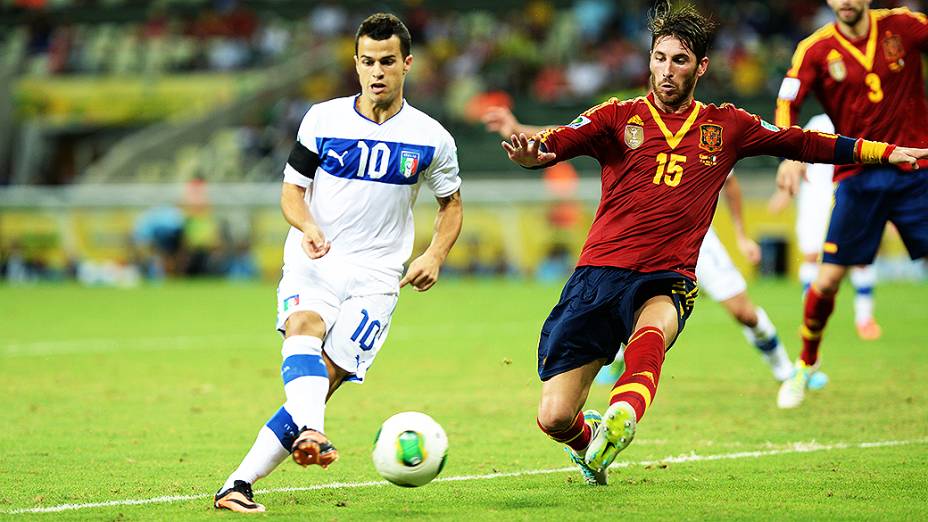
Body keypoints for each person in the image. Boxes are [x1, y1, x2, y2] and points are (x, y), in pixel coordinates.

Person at [500, 0, 928, 486]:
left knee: (653, 331)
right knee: (554, 417)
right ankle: (588, 439)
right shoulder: (616, 116)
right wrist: (532, 155)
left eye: (679, 60)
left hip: (667, 275)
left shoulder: (727, 126)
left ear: (700, 67)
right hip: (598, 275)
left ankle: (623, 413)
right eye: (659, 58)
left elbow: (802, 142)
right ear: (649, 60)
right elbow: (556, 143)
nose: (666, 70)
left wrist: (886, 151)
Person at [213, 13, 463, 512]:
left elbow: (450, 203)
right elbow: (291, 190)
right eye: (368, 62)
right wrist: (306, 225)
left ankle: (237, 484)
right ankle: (312, 433)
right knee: (302, 326)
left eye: (387, 62)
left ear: (407, 64)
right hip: (316, 258)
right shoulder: (322, 119)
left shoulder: (431, 137)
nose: (377, 72)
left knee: (321, 381)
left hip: (378, 278)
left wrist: (435, 254)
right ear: (356, 64)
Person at [485, 109, 799, 385]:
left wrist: (742, 235)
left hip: (692, 240)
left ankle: (785, 370)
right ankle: (615, 361)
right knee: (625, 303)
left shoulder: (706, 131)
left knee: (743, 312)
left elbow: (729, 183)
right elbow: (568, 130)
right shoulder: (628, 123)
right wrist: (518, 127)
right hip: (637, 243)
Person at [774, 1, 928, 408]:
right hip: (858, 176)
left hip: (917, 168)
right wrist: (789, 152)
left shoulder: (904, 28)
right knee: (825, 282)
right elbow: (788, 101)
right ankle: (805, 364)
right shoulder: (815, 49)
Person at [768, 114, 882, 342]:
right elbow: (798, 155)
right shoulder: (818, 123)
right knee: (811, 257)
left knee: (859, 260)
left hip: (850, 196)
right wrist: (783, 193)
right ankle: (808, 315)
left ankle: (864, 318)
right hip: (815, 198)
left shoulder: (859, 120)